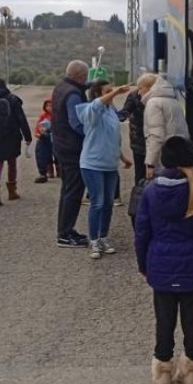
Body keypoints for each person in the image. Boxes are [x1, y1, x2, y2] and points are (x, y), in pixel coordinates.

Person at [135, 135, 193, 384]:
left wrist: (144, 264)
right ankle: (192, 370)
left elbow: (142, 232)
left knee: (164, 320)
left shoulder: (150, 192)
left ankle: (163, 371)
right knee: (192, 320)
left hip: (160, 265)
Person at [78, 80, 133, 260]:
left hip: (109, 164)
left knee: (109, 202)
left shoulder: (111, 112)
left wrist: (122, 157)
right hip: (92, 164)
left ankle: (103, 236)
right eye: (107, 91)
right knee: (98, 202)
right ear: (97, 94)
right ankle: (93, 239)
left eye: (112, 90)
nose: (112, 94)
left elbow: (113, 137)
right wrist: (116, 91)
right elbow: (97, 104)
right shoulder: (90, 111)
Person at [52, 60, 91, 248]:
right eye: (86, 77)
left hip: (61, 146)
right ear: (80, 76)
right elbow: (76, 123)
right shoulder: (74, 94)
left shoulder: (62, 87)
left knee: (67, 189)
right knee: (74, 191)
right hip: (72, 149)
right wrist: (93, 133)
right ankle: (65, 234)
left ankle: (65, 230)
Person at [0, 77, 32, 207]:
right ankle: (12, 192)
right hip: (11, 135)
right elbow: (21, 119)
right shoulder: (12, 99)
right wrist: (28, 137)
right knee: (12, 163)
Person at [144, 73, 190, 180]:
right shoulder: (173, 100)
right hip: (179, 155)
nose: (138, 92)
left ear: (148, 88)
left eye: (140, 88)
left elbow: (156, 136)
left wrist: (150, 164)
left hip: (164, 160)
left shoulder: (153, 103)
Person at [120, 73, 157, 186]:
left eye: (141, 87)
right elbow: (124, 113)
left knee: (155, 172)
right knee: (140, 173)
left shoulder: (158, 98)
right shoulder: (134, 96)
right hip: (139, 140)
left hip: (154, 141)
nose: (139, 91)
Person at [33, 98, 56, 183]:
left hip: (56, 137)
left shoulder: (58, 115)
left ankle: (59, 170)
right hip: (45, 137)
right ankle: (46, 171)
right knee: (43, 154)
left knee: (57, 155)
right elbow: (38, 126)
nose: (49, 108)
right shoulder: (43, 116)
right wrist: (37, 133)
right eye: (47, 106)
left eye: (51, 106)